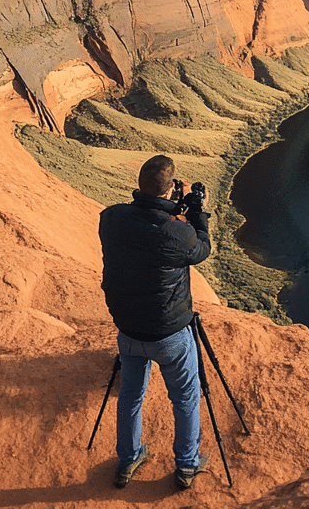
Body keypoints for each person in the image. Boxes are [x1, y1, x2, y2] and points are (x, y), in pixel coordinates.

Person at [99, 154, 211, 490]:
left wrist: (167, 209)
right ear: (170, 192)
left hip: (129, 331)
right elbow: (201, 248)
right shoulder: (177, 235)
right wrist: (196, 214)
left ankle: (129, 457)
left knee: (131, 396)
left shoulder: (111, 218)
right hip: (171, 334)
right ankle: (187, 465)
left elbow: (143, 234)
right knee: (186, 398)